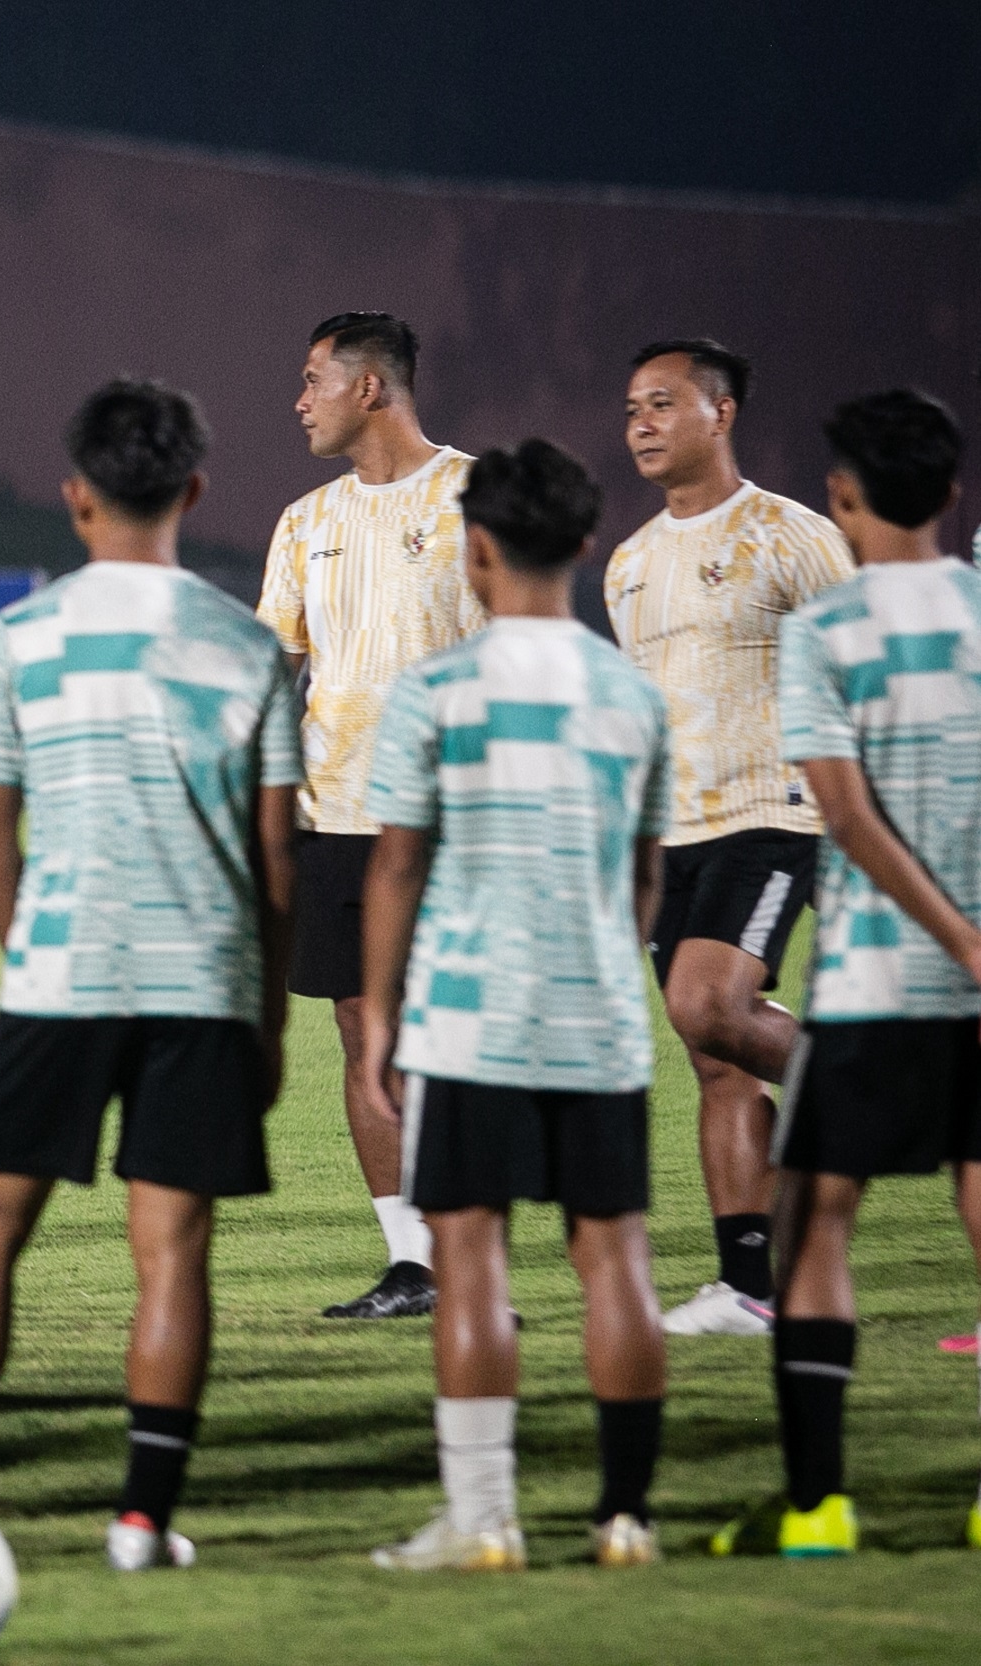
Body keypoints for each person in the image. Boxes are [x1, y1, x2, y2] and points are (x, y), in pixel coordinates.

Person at [0, 379, 298, 1574]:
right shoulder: (247, 646)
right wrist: (269, 1018)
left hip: (61, 979)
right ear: (191, 492)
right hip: (202, 986)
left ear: (75, 497)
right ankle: (142, 1521)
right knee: (172, 1252)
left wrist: (27, 943)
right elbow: (277, 858)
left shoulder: (22, 638)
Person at [358, 440, 673, 1572]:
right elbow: (645, 877)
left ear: (474, 547)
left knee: (473, 1255)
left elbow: (397, 865)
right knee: (614, 1255)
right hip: (596, 1018)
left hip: (468, 1019)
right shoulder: (633, 693)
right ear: (586, 544)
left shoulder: (436, 689)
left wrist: (383, 1016)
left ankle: (483, 1518)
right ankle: (624, 1515)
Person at [714, 389, 981, 1558]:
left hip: (876, 983)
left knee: (814, 1224)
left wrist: (955, 936)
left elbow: (846, 816)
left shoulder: (824, 632)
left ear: (842, 495)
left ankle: (817, 1501)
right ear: (953, 495)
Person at [605, 340, 854, 1337]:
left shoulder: (790, 536)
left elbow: (853, 673)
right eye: (631, 408)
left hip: (772, 810)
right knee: (713, 1052)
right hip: (673, 830)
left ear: (721, 410)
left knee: (707, 1001)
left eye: (662, 404)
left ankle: (871, 1085)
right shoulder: (627, 565)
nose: (641, 424)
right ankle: (748, 1287)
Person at [257, 311, 483, 1321]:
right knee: (364, 1034)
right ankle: (413, 1264)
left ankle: (473, 1262)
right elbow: (276, 674)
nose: (297, 400)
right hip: (334, 817)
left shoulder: (475, 495)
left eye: (312, 380)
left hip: (450, 822)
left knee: (451, 1043)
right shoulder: (305, 522)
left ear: (371, 388)